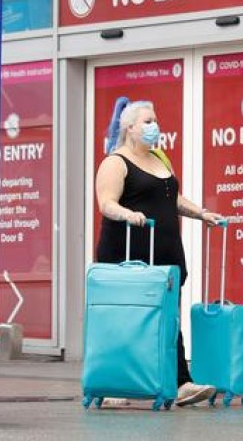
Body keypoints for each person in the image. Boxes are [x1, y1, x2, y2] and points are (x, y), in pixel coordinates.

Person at [95, 98, 223, 407]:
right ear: (129, 128)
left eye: (156, 121)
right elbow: (106, 203)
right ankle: (113, 384)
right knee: (127, 321)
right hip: (129, 256)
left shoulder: (160, 159)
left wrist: (202, 213)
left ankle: (181, 383)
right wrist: (128, 214)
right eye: (148, 122)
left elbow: (173, 199)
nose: (155, 127)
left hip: (165, 257)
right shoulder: (116, 162)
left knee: (170, 320)